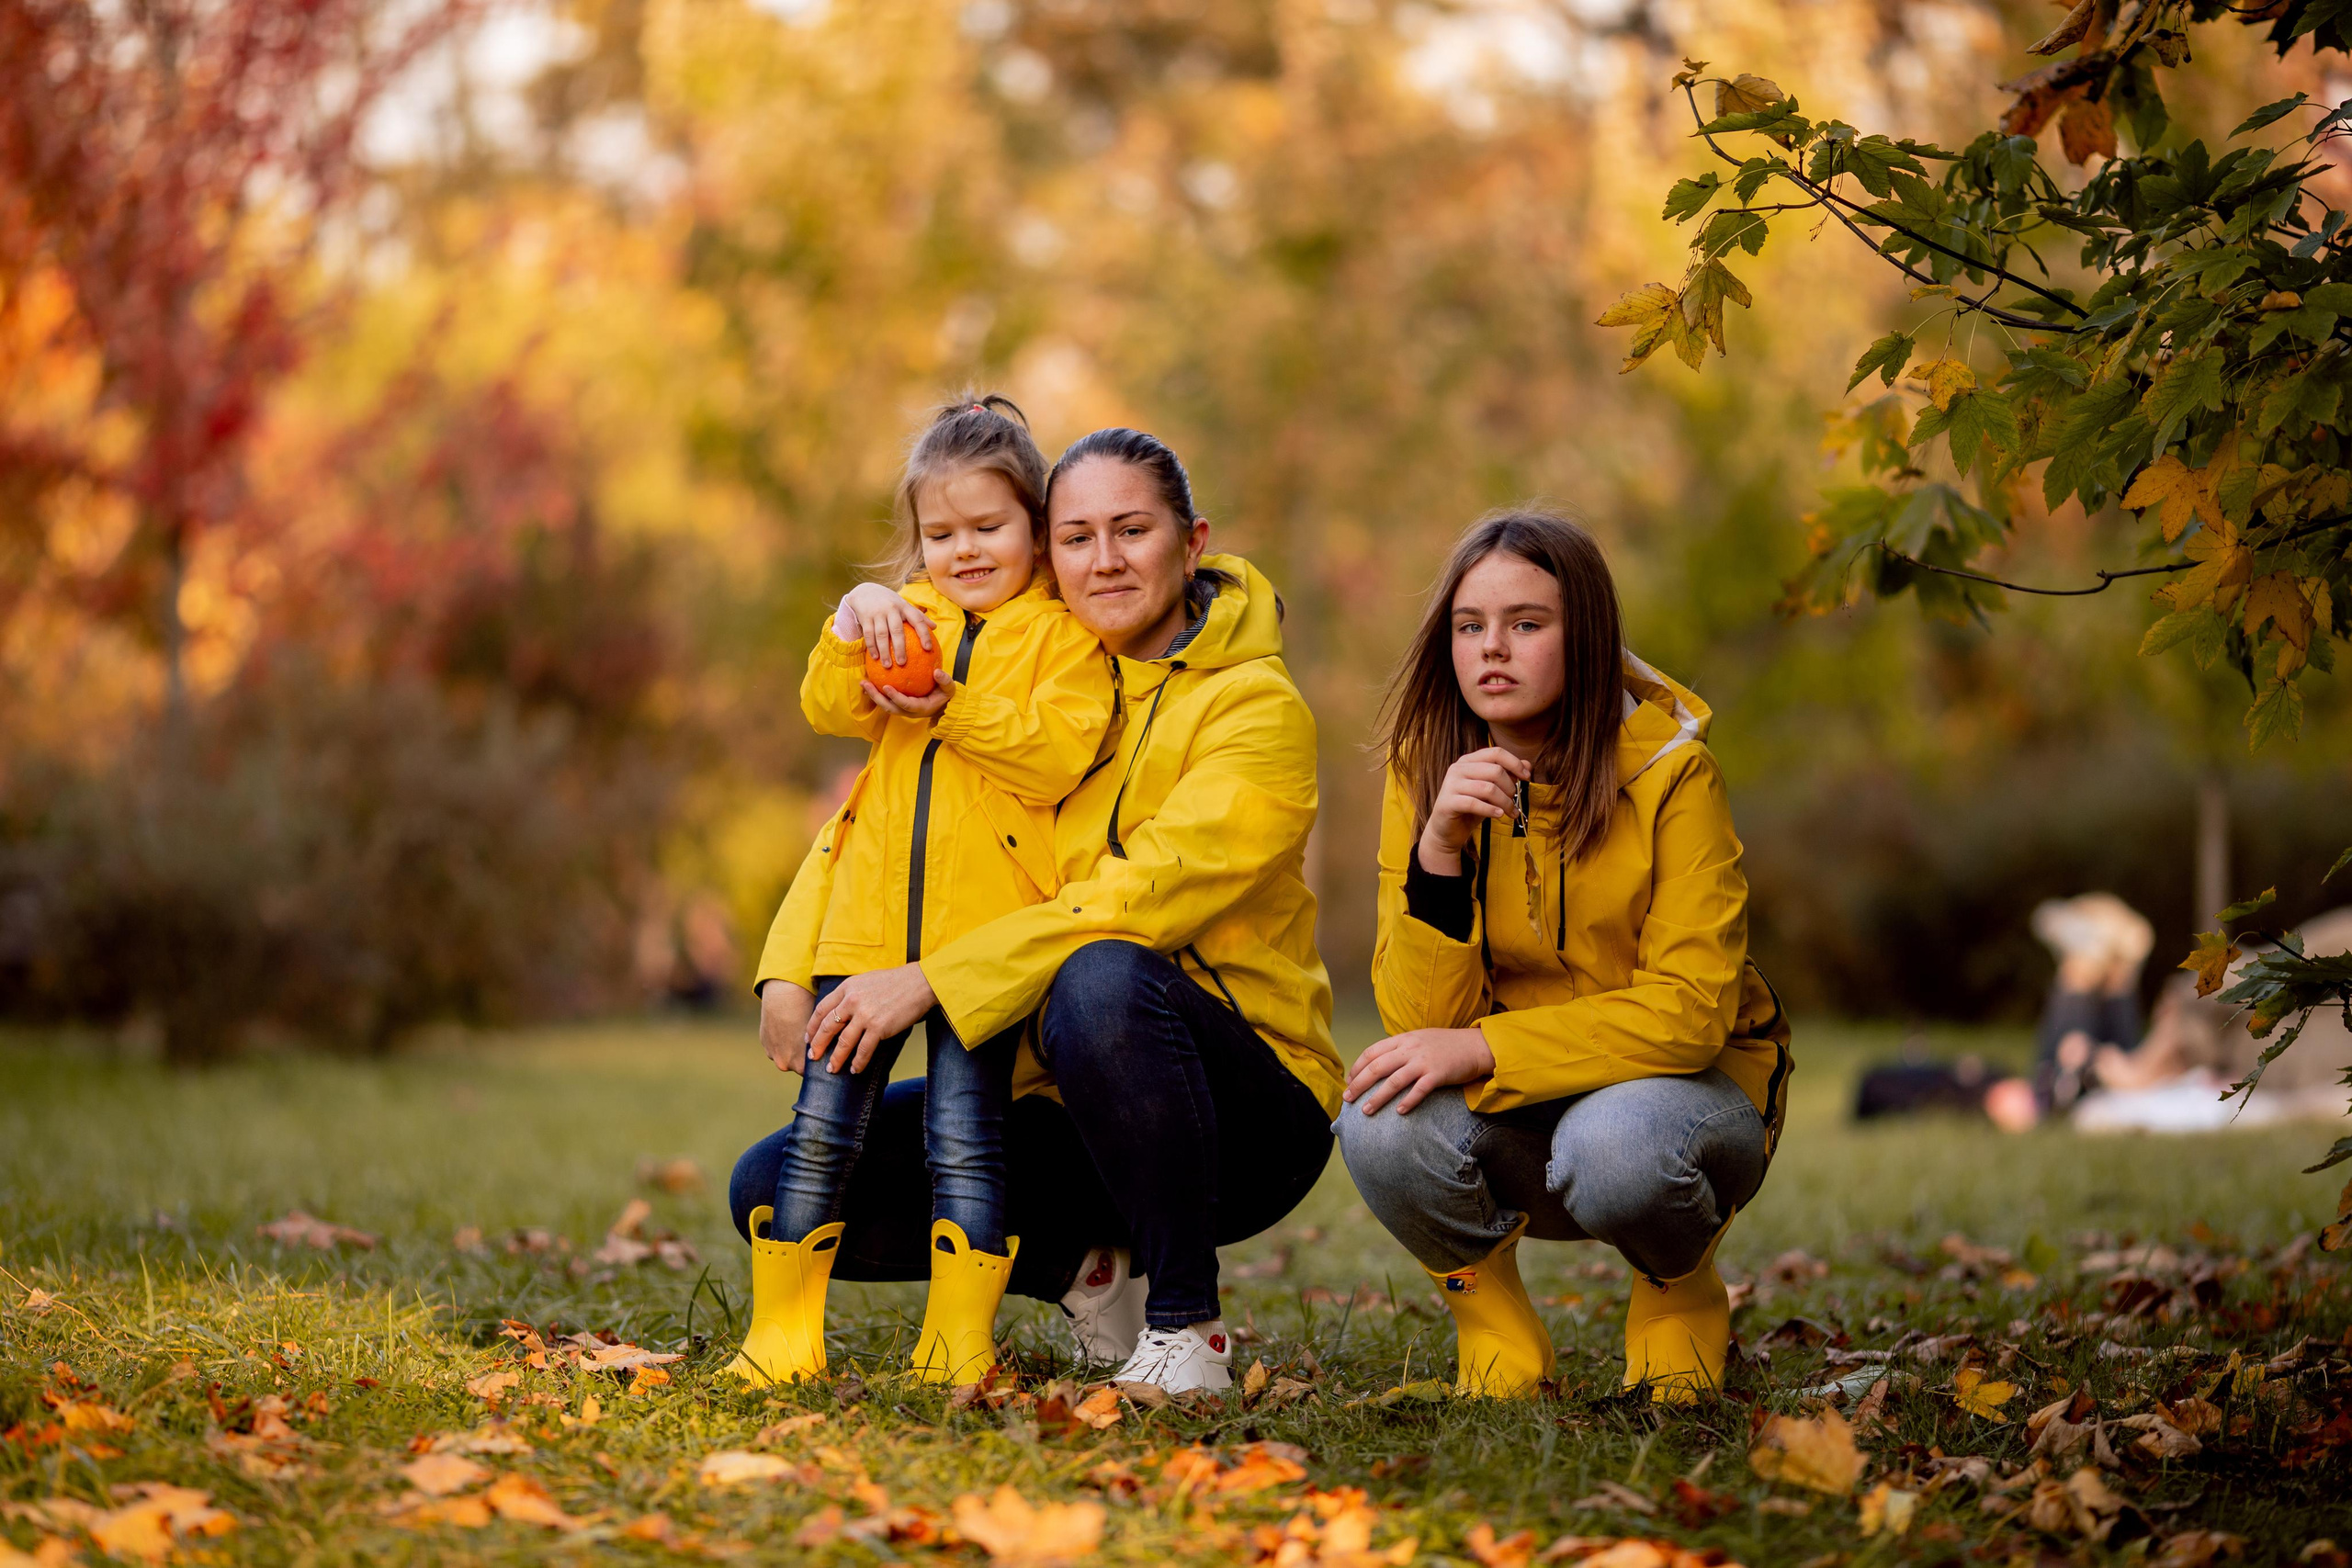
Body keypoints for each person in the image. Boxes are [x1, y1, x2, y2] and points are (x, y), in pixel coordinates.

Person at [731, 426, 1342, 1393]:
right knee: (772, 1184)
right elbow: (877, 826)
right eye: (1077, 536)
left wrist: (933, 978)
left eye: (1132, 531)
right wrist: (789, 963)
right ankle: (1085, 1271)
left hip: (1240, 1109)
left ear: (1191, 542)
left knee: (1098, 975)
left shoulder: (1253, 712)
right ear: (1046, 559)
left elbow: (1139, 900)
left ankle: (1187, 1327)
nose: (1103, 560)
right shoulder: (1017, 684)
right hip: (1058, 1086)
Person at [1336, 509, 1792, 1404]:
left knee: (1614, 1144)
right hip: (1529, 1112)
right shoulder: (1422, 770)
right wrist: (1438, 852)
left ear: (1583, 638)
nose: (1490, 650)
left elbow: (1691, 1014)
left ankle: (1677, 1296)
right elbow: (1420, 1028)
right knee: (1378, 1119)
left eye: (1525, 624)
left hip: (1682, 1110)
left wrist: (1487, 1050)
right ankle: (1494, 1327)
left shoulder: (1671, 775)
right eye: (1470, 627)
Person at [727, 395, 1116, 1388]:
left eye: (987, 527)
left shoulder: (1064, 639)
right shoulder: (909, 620)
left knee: (966, 1144)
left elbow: (1057, 756)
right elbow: (826, 706)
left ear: (1034, 524)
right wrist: (851, 618)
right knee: (820, 1135)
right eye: (939, 534)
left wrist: (954, 707)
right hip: (861, 937)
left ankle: (956, 1342)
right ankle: (782, 1337)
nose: (964, 550)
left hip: (972, 959)